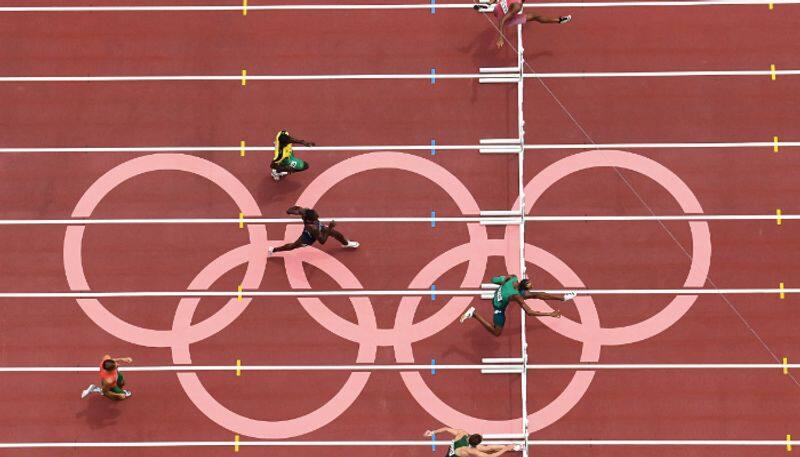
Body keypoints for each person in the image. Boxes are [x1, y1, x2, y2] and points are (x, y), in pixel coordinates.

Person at [459, 275, 576, 336]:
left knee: (535, 295)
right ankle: (474, 314)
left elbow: (493, 279)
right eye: (529, 286)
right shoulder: (517, 296)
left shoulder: (513, 278)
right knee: (496, 332)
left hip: (502, 293)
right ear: (522, 289)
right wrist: (549, 313)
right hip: (498, 308)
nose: (531, 286)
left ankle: (563, 298)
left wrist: (504, 279)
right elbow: (529, 312)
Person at [475, 0, 571, 49]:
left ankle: (488, 3)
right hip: (501, 16)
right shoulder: (517, 6)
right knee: (534, 17)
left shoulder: (517, 4)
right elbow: (503, 21)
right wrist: (501, 37)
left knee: (534, 16)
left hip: (498, 8)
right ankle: (559, 21)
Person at [268, 206, 359, 255]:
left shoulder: (305, 213)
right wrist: (330, 227)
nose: (318, 215)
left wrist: (293, 211)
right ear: (310, 220)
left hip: (319, 228)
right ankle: (274, 250)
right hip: (307, 239)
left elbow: (289, 210)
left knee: (336, 234)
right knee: (292, 246)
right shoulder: (312, 228)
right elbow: (322, 241)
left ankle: (346, 244)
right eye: (316, 216)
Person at [423, 428, 520, 456]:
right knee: (487, 449)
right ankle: (511, 446)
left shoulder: (462, 433)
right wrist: (506, 449)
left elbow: (445, 429)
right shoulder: (471, 451)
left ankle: (514, 446)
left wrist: (432, 432)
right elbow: (491, 456)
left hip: (458, 449)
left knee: (488, 448)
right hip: (456, 453)